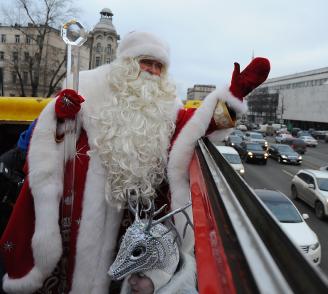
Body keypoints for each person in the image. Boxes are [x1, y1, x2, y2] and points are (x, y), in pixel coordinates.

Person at [0, 31, 270, 293]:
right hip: (76, 216)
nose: (153, 71)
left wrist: (233, 97)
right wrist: (60, 115)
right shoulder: (88, 90)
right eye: (146, 62)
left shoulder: (166, 109)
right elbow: (44, 141)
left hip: (130, 224)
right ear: (127, 64)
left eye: (158, 66)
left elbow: (200, 125)